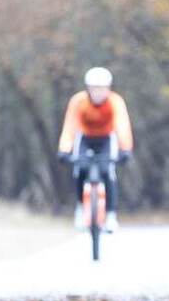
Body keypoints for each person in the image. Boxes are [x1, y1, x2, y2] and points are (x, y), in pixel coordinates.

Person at [57, 67, 133, 232]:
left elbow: (122, 125)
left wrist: (125, 149)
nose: (98, 93)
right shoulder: (78, 101)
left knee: (107, 171)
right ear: (88, 89)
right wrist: (64, 150)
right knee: (80, 169)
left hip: (106, 139)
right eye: (94, 89)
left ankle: (111, 216)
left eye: (102, 89)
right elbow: (70, 126)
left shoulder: (115, 101)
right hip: (85, 138)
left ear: (109, 89)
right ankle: (80, 209)